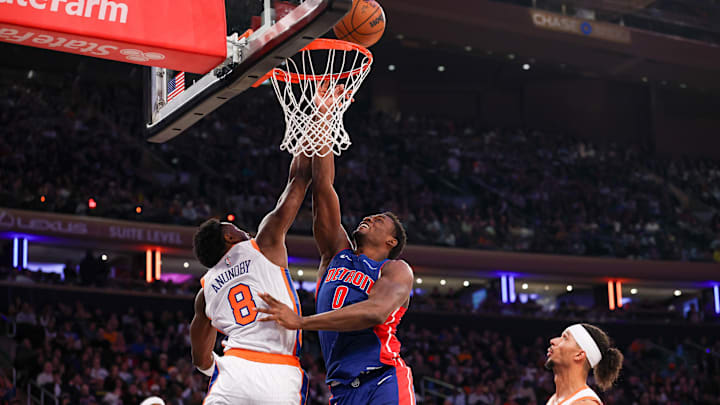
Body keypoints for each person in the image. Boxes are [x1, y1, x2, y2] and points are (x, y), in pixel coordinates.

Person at [258, 81, 416, 405]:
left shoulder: (396, 270)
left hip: (384, 378)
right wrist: (323, 116)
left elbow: (374, 312)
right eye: (371, 215)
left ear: (391, 240)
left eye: (379, 220)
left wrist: (302, 322)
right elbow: (323, 185)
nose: (369, 218)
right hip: (341, 390)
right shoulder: (335, 254)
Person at [189, 152, 311, 404]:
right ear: (229, 238)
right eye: (232, 227)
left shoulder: (206, 289)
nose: (241, 229)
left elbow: (201, 359)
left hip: (233, 371)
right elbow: (298, 181)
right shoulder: (263, 245)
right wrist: (307, 141)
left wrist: (224, 371)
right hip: (278, 373)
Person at [545, 323, 624, 405]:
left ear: (579, 355)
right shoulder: (554, 399)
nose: (553, 341)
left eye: (565, 338)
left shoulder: (585, 403)